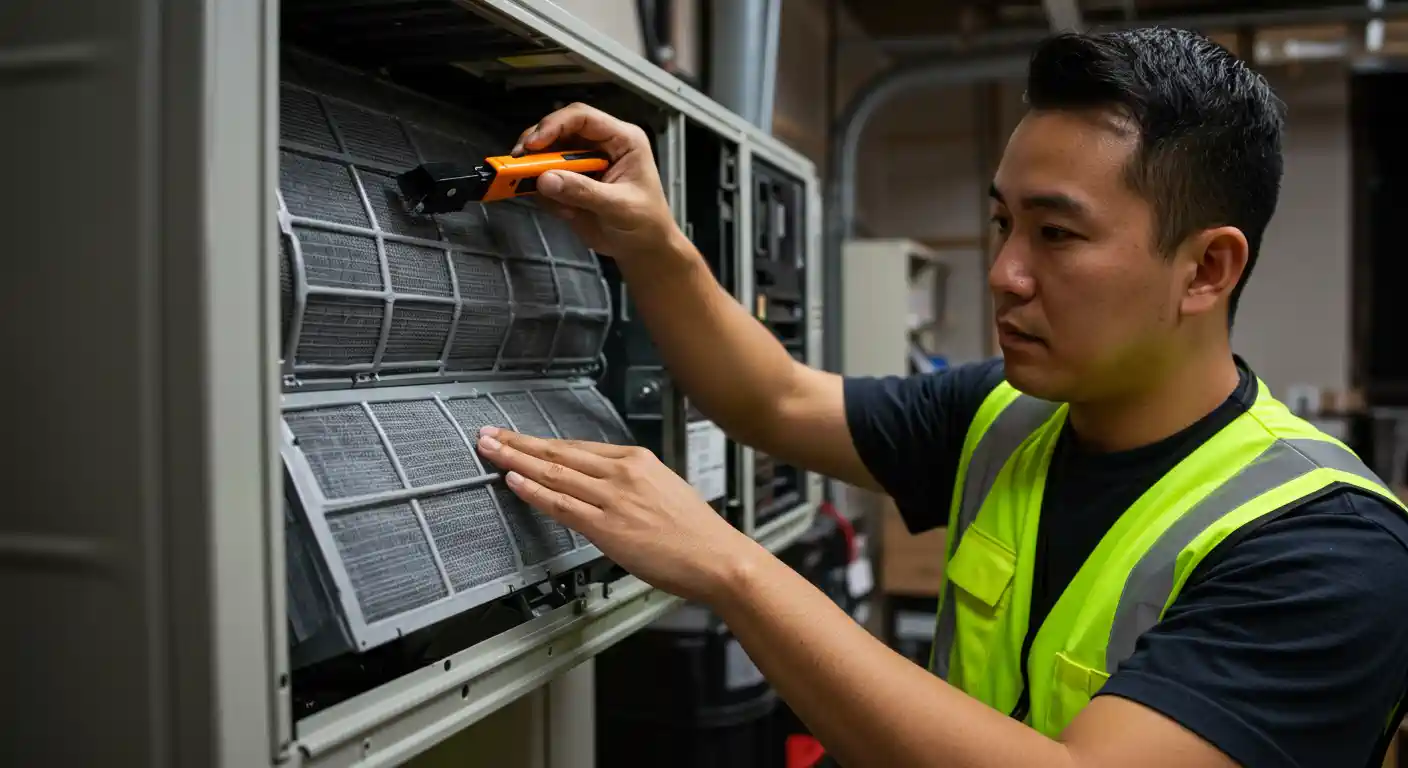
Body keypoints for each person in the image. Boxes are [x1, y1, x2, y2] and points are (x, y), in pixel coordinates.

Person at [474, 26, 1408, 768]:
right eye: (1002, 221)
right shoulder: (1007, 414)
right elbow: (775, 401)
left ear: (1207, 267)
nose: (1004, 273)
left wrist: (730, 567)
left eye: (1057, 234)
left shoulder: (1327, 551)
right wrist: (654, 245)